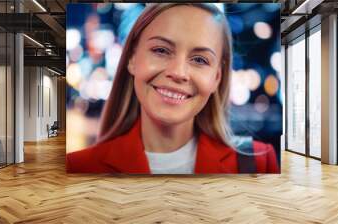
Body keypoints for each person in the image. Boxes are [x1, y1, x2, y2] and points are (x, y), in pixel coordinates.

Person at [66, 3, 279, 174]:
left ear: (217, 77)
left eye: (199, 59)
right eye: (161, 50)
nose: (178, 72)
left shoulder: (257, 162)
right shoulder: (78, 167)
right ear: (132, 58)